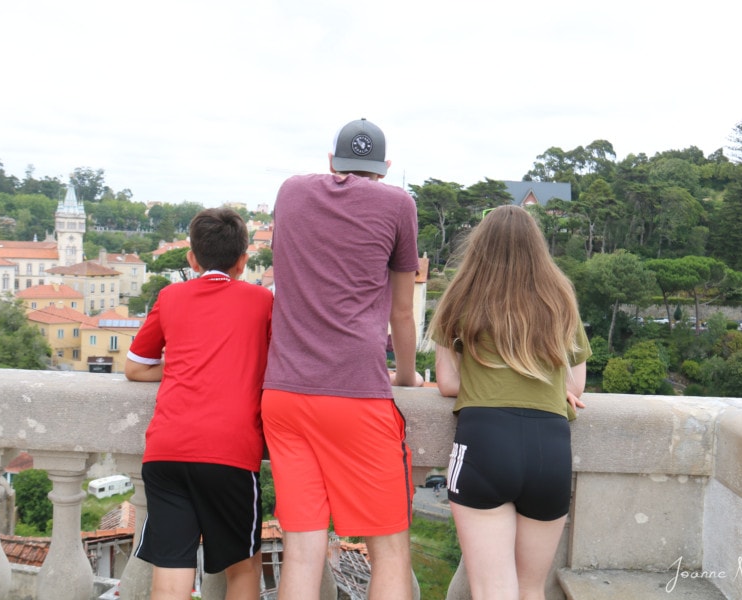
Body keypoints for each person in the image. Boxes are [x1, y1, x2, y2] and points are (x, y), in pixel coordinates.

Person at [262, 117, 423, 600]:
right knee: (390, 551)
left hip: (284, 395)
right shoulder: (398, 203)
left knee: (304, 549)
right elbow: (400, 310)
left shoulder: (290, 191)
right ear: (385, 167)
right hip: (356, 394)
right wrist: (409, 375)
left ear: (333, 161)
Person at [429, 205, 591, 600]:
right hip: (549, 445)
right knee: (531, 588)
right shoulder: (559, 297)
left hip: (484, 441)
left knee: (492, 589)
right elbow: (577, 385)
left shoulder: (461, 295)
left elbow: (448, 383)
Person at [125, 207, 273, 600]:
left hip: (166, 449)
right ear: (243, 261)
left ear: (191, 258)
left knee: (172, 565)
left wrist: (176, 366)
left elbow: (136, 368)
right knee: (244, 566)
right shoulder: (262, 301)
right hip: (230, 452)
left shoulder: (170, 296)